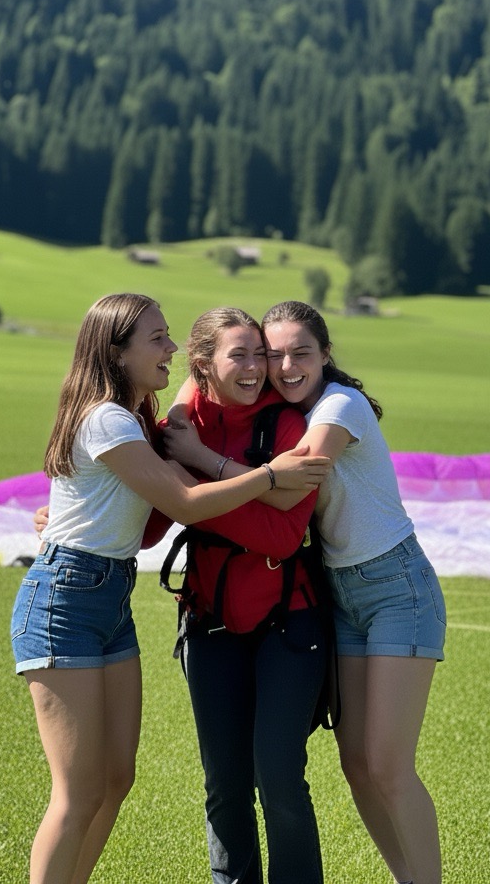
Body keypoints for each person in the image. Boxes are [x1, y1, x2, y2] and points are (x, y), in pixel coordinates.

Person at [10, 293, 330, 884]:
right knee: (78, 794)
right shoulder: (111, 419)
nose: (171, 347)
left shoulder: (142, 417)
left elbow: (181, 425)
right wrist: (268, 476)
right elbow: (180, 503)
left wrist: (198, 454)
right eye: (157, 338)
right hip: (68, 597)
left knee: (115, 780)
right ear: (117, 351)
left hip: (110, 597)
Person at [169, 300, 445, 884]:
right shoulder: (286, 405)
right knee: (357, 766)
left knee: (388, 767)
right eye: (274, 355)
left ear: (326, 355)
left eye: (301, 353)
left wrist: (198, 458)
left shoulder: (337, 407)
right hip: (339, 591)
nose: (285, 366)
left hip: (395, 588)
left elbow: (287, 492)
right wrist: (179, 414)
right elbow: (196, 388)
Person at [160, 306, 327, 884]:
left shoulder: (287, 425)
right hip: (209, 621)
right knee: (225, 784)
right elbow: (150, 519)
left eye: (261, 354)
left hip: (290, 622)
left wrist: (193, 492)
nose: (258, 367)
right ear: (203, 363)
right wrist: (60, 520)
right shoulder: (181, 424)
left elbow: (283, 535)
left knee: (278, 778)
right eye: (241, 355)